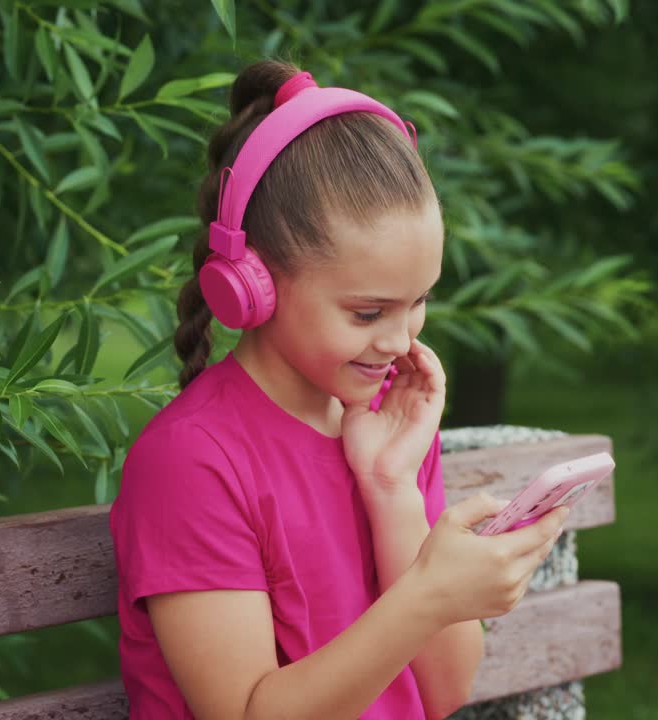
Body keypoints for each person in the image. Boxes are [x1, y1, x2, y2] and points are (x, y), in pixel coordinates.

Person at [108, 60, 570, 720]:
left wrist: (390, 488)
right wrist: (429, 596)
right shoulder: (192, 460)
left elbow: (445, 691)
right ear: (253, 285)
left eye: (419, 302)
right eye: (366, 312)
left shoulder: (391, 427)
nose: (398, 340)